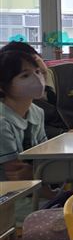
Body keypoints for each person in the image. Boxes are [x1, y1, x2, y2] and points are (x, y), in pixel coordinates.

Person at [0, 46, 48, 182]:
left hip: (32, 187)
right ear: (2, 86)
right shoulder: (2, 122)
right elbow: (16, 173)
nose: (37, 79)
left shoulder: (37, 112)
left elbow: (45, 155)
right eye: (25, 75)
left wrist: (38, 172)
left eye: (37, 72)